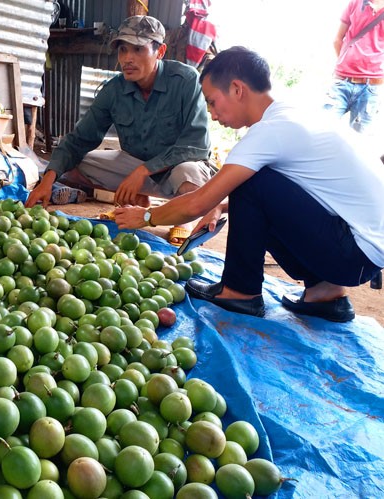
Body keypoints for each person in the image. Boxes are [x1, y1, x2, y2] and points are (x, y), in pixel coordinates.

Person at [114, 46, 384, 322]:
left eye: (213, 102)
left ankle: (239, 291)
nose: (213, 115)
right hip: (364, 253)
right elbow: (294, 196)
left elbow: (197, 202)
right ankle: (325, 293)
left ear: (237, 89)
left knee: (247, 179)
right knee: (249, 182)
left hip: (353, 255)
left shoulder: (270, 131)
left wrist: (146, 216)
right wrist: (223, 206)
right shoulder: (294, 113)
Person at [26, 15, 215, 245]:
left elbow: (196, 145)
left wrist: (144, 171)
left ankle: (183, 220)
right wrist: (48, 179)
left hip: (176, 170)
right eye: (123, 50)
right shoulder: (114, 90)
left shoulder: (185, 81)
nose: (127, 58)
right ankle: (137, 201)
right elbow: (78, 140)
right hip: (136, 166)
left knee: (189, 173)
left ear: (160, 51)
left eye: (137, 49)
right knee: (74, 163)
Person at [323, 0, 384, 134]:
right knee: (321, 133)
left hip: (371, 89)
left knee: (357, 143)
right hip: (341, 82)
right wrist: (345, 64)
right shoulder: (355, 3)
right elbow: (337, 40)